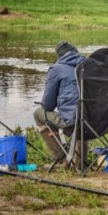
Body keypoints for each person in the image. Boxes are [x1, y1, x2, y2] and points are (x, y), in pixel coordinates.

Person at [34, 41, 85, 170]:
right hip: (96, 122)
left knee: (39, 113)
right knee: (84, 114)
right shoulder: (88, 66)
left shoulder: (56, 69)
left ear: (60, 56)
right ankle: (81, 162)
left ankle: (62, 159)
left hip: (72, 122)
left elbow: (48, 105)